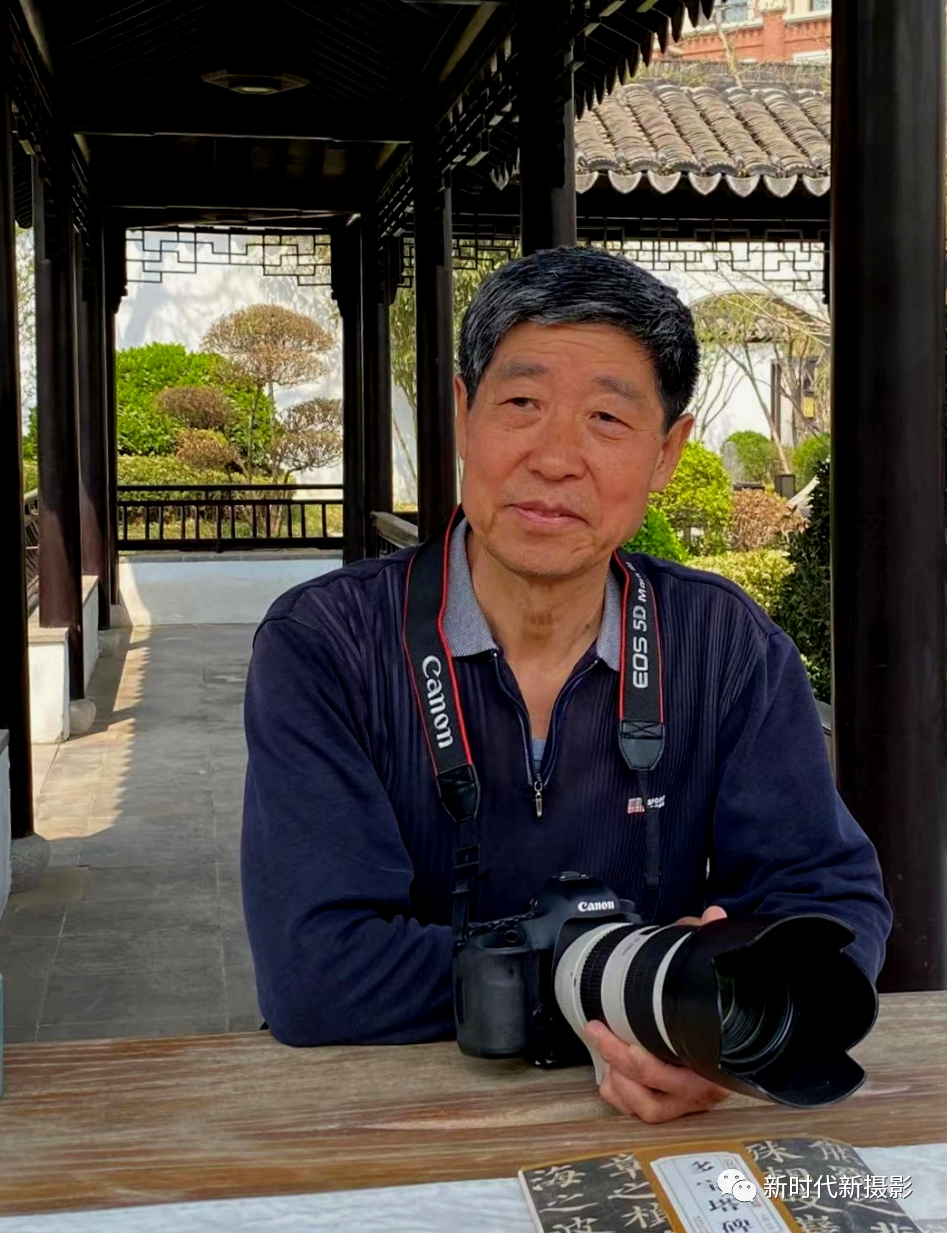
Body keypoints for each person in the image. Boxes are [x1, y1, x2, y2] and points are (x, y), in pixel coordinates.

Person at [241, 245, 891, 1124]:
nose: (555, 458)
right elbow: (317, 972)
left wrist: (722, 1037)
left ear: (666, 454)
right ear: (464, 415)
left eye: (607, 419)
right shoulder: (328, 644)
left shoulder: (724, 645)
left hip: (649, 1125)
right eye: (522, 404)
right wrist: (654, 994)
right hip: (389, 1121)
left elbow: (832, 904)